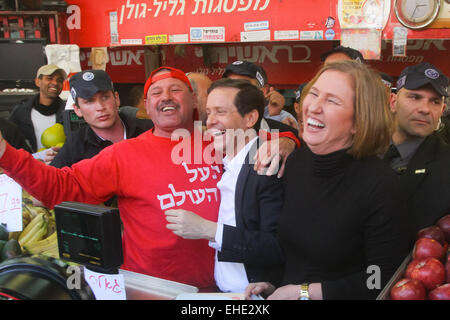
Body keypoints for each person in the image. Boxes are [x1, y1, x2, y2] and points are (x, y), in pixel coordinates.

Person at [0, 66, 295, 290]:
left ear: (194, 99)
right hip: (156, 290)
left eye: (176, 89)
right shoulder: (123, 155)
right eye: (156, 92)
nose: (165, 96)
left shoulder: (222, 140)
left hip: (232, 290)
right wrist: (5, 153)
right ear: (147, 104)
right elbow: (59, 188)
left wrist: (288, 141)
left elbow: (274, 132)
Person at [245, 60, 409, 300]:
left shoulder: (381, 185)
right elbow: (297, 254)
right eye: (314, 94)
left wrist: (305, 292)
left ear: (359, 121)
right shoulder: (296, 163)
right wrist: (275, 286)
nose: (314, 107)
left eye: (332, 100)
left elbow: (381, 277)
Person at [165, 79, 284, 293]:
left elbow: (277, 246)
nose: (210, 121)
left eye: (220, 112)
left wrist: (207, 229)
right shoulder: (224, 161)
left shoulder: (267, 164)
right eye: (209, 112)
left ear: (250, 118)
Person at [384, 62, 450, 235]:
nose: (425, 109)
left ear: (442, 110)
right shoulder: (361, 150)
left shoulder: (446, 166)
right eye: (415, 97)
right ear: (393, 102)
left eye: (434, 102)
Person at [50, 70, 154, 168]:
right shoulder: (76, 145)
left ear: (116, 99)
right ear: (77, 110)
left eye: (105, 97)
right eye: (89, 101)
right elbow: (50, 180)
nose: (100, 107)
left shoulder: (149, 130)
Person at [222, 60, 298, 130]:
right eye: (229, 85)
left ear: (263, 91)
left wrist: (275, 117)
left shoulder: (285, 119)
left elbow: (273, 142)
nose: (234, 91)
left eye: (243, 85)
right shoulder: (217, 117)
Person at [9, 64, 67, 152]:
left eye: (59, 80)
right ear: (37, 82)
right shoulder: (21, 112)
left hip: (61, 164)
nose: (55, 83)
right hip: (29, 164)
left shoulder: (69, 112)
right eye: (49, 78)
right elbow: (10, 142)